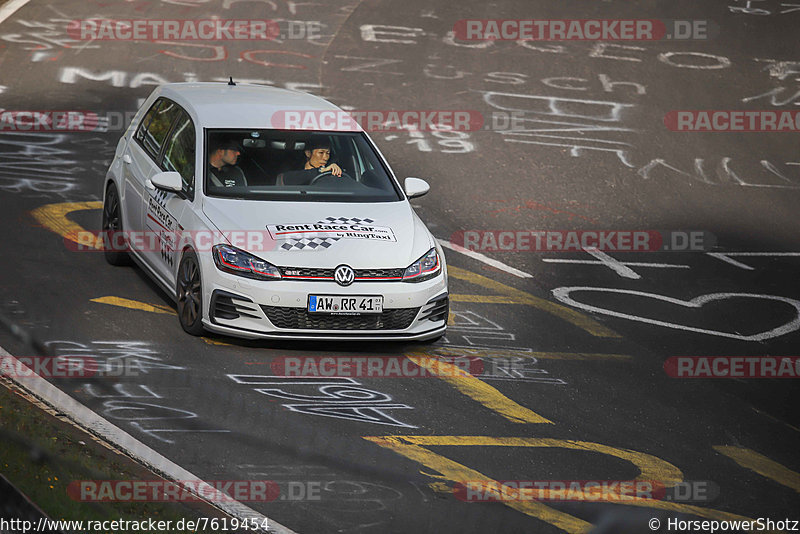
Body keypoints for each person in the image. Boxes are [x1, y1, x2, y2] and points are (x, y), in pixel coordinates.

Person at [276, 137, 343, 185]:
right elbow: (285, 178)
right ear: (308, 153)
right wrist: (321, 171)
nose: (325, 158)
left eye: (328, 153)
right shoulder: (295, 169)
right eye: (321, 153)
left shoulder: (330, 172)